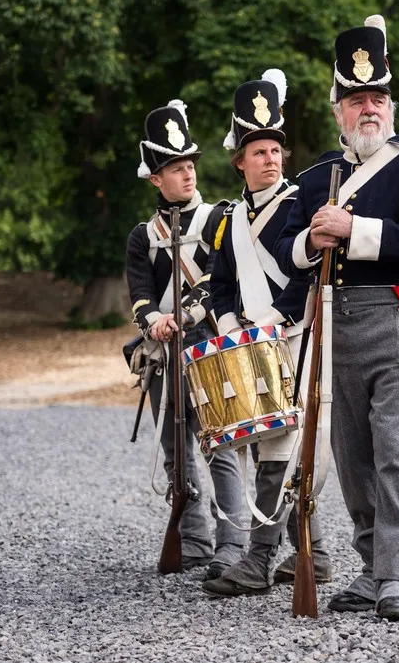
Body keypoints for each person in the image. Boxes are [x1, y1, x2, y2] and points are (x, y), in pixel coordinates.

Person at [273, 14, 399, 621]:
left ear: (390, 104)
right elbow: (287, 251)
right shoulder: (318, 174)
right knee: (352, 458)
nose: (368, 109)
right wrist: (311, 243)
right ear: (337, 109)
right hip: (336, 326)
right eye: (356, 100)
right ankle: (373, 568)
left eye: (377, 98)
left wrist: (353, 229)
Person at [201, 70, 334, 598]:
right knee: (267, 444)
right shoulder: (226, 220)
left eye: (275, 149)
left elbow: (307, 271)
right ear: (240, 161)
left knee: (287, 448)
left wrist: (275, 322)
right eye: (259, 151)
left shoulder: (302, 203)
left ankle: (258, 560)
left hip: (297, 338)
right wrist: (235, 330)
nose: (271, 158)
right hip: (250, 347)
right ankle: (316, 553)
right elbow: (220, 285)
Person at [124, 99, 247, 579]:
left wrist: (188, 313)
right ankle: (192, 538)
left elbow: (221, 280)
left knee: (220, 444)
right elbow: (139, 295)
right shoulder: (142, 236)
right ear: (155, 178)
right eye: (175, 168)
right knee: (177, 452)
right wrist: (153, 320)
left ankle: (232, 543)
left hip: (208, 345)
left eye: (189, 164)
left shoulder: (217, 219)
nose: (187, 174)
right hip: (164, 352)